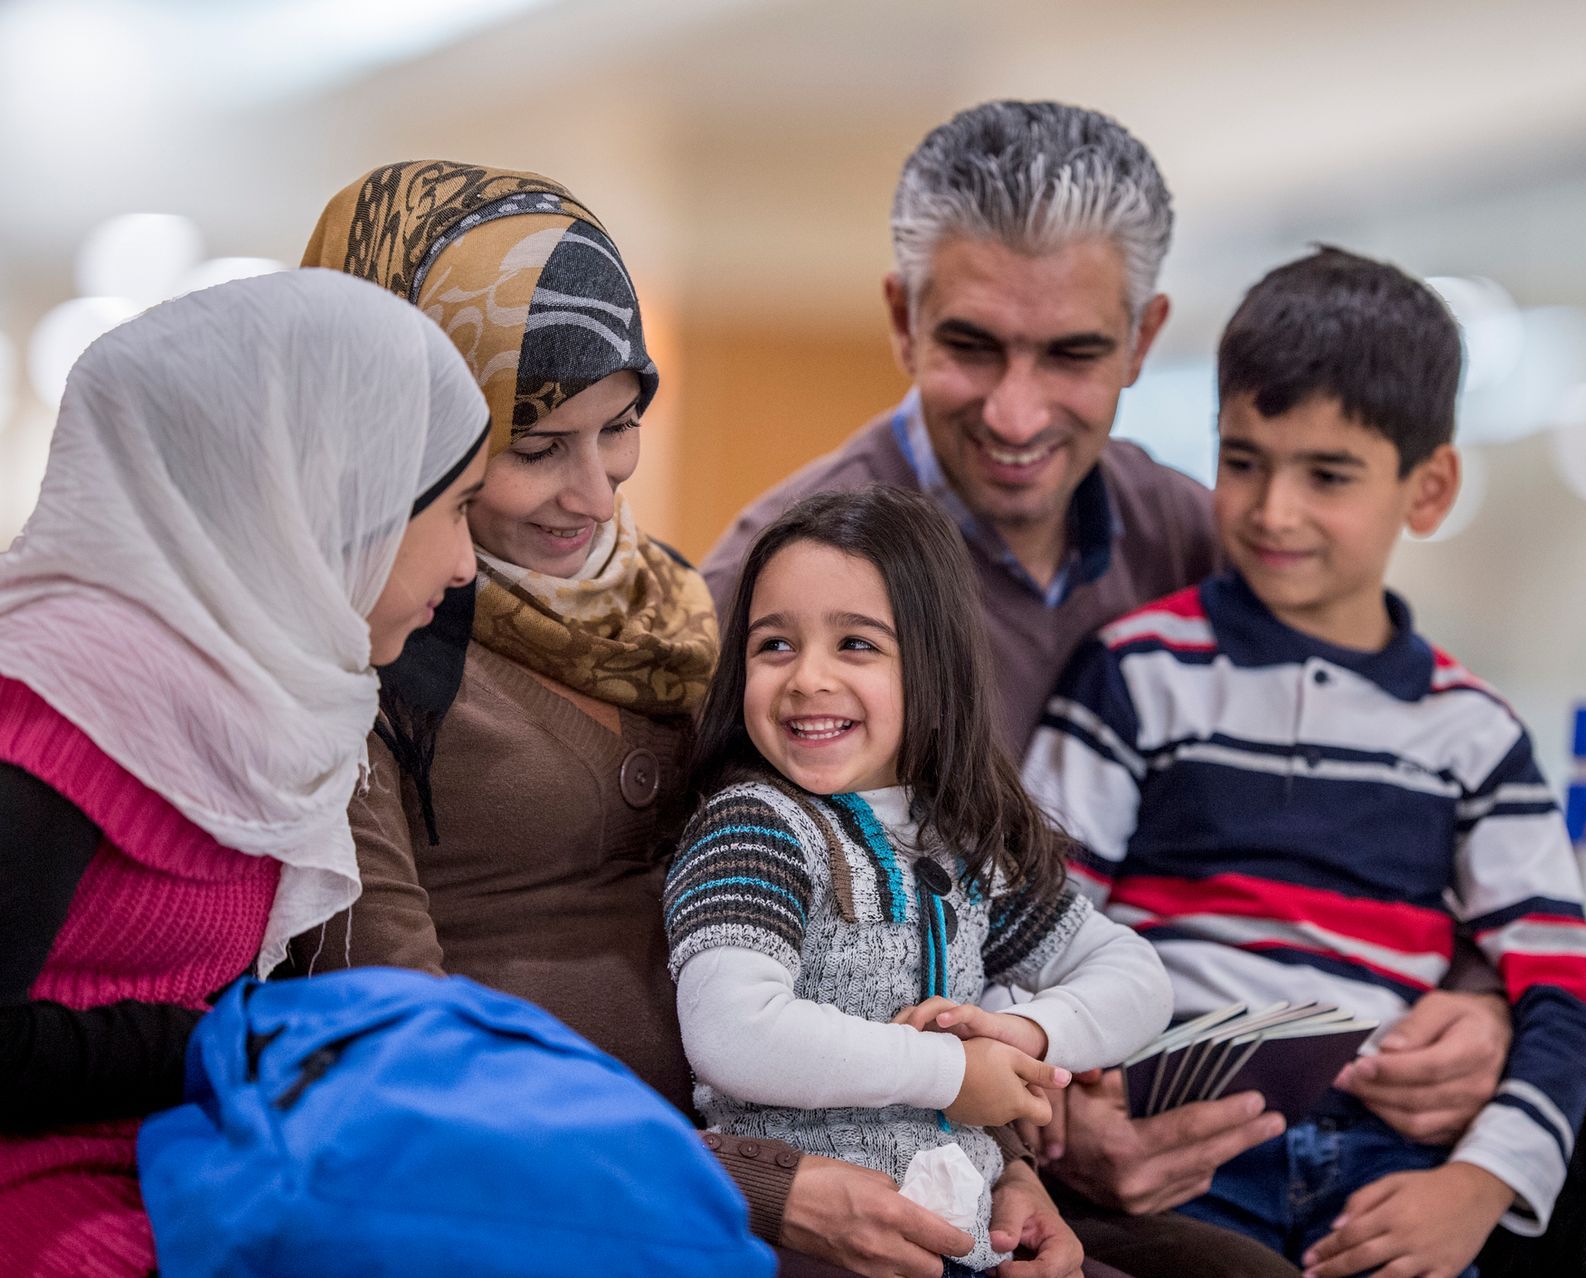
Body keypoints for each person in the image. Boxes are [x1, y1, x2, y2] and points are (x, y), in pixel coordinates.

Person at [702, 100, 1513, 1273]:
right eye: (973, 346)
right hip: (905, 1171)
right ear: (901, 318)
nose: (1018, 413)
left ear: (1144, 339)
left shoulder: (1201, 539)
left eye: (1074, 354)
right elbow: (691, 959)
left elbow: (1401, 784)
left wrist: (1481, 1006)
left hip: (1190, 1146)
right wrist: (1033, 1128)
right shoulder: (769, 589)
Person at [295, 161, 1100, 1278]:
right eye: (535, 448)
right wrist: (759, 1192)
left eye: (619, 428)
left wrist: (994, 1163)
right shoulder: (353, 653)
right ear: (410, 433)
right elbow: (394, 1045)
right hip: (568, 1205)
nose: (597, 492)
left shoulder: (683, 614)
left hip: (841, 1147)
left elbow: (872, 917)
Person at [1021, 247, 1586, 1278]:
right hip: (1182, 1146)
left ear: (1429, 489)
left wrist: (1476, 1192)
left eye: (1327, 475)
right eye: (1243, 460)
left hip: (1394, 1172)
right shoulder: (1135, 670)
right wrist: (1073, 1099)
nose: (1271, 509)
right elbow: (1038, 922)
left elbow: (1561, 990)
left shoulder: (1476, 732)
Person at [0, 268, 491, 1277]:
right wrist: (222, 1048)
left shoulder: (276, 690)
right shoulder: (59, 686)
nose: (466, 567)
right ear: (339, 495)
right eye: (456, 510)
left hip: (181, 1169)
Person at [667, 486, 1173, 1273]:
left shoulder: (964, 845)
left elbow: (1135, 976)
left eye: (857, 645)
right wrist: (952, 1073)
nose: (807, 678)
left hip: (964, 1243)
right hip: (800, 1244)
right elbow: (731, 1033)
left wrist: (1026, 1034)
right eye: (775, 646)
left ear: (933, 670)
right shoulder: (755, 827)